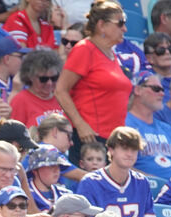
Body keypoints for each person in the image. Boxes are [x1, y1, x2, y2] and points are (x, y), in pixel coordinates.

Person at [54, 0, 131, 143]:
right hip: (90, 139)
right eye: (120, 23)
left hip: (112, 140)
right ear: (102, 25)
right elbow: (60, 90)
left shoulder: (110, 53)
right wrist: (80, 124)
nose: (125, 29)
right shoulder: (85, 49)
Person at [75, 128, 157, 217]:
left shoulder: (142, 182)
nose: (129, 154)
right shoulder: (90, 182)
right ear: (111, 150)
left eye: (134, 150)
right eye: (124, 149)